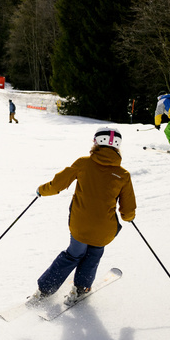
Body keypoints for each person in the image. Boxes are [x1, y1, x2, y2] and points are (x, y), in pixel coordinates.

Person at [29, 128, 136, 305]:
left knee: (73, 253)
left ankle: (44, 290)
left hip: (80, 225)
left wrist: (41, 190)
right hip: (105, 229)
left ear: (96, 142)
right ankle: (81, 289)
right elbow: (127, 211)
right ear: (118, 148)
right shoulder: (123, 175)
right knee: (93, 254)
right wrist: (129, 216)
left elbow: (57, 185)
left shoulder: (83, 163)